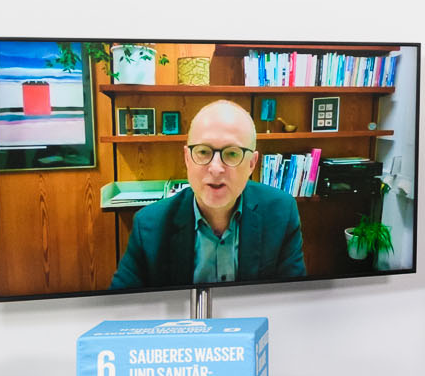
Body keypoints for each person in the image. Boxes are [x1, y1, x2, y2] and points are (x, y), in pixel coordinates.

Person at [111, 99, 305, 288]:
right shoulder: (149, 225)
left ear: (252, 164)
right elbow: (122, 310)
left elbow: (292, 300)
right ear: (187, 158)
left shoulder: (280, 213)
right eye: (203, 152)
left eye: (232, 153)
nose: (215, 168)